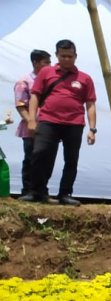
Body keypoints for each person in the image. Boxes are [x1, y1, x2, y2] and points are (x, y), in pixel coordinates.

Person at [24, 39, 96, 206]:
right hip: (48, 120)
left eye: (70, 56)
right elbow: (35, 95)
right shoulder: (46, 72)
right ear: (57, 55)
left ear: (75, 56)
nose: (66, 59)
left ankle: (65, 193)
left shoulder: (85, 78)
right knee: (41, 153)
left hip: (75, 123)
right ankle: (37, 192)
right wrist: (32, 119)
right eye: (63, 56)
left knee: (71, 159)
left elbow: (90, 104)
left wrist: (93, 129)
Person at [13, 49, 51, 198]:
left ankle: (42, 191)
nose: (49, 65)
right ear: (35, 62)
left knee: (46, 158)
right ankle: (28, 190)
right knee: (31, 157)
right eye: (46, 62)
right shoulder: (24, 81)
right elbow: (20, 105)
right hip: (31, 126)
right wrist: (31, 121)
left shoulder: (49, 80)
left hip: (48, 126)